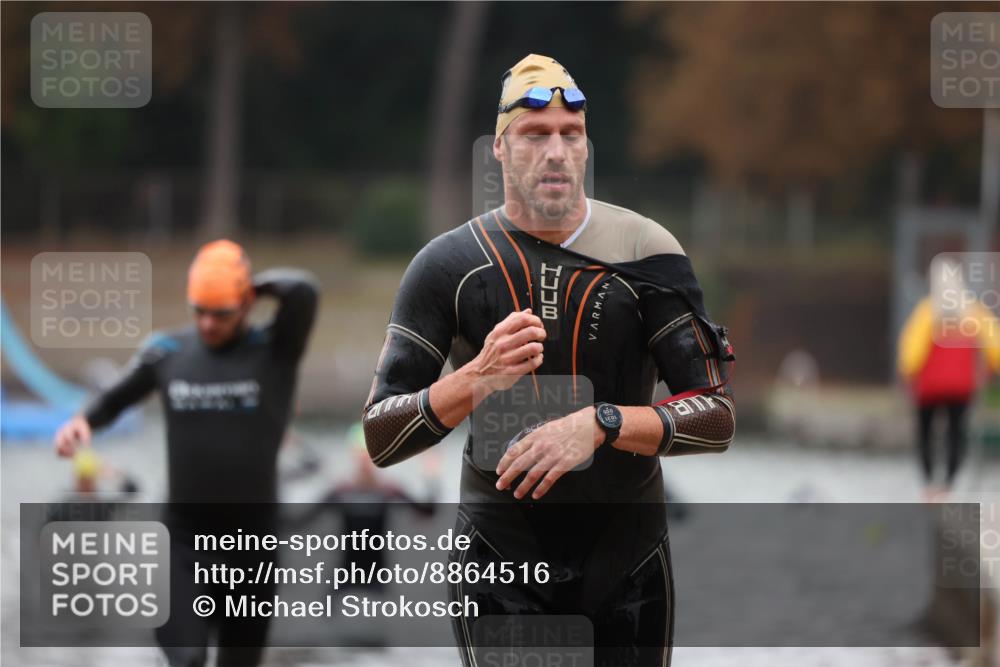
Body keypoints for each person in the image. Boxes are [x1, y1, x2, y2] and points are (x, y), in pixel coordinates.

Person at [362, 54, 735, 666]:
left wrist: (602, 423)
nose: (556, 151)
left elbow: (716, 417)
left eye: (572, 134)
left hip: (628, 563)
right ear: (501, 150)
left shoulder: (648, 253)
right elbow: (381, 434)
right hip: (500, 564)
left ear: (587, 149)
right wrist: (476, 378)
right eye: (536, 135)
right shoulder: (447, 267)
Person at [53, 240, 318, 667]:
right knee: (188, 658)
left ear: (246, 305)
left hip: (253, 546)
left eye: (222, 312)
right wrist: (83, 422)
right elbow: (113, 400)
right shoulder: (169, 353)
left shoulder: (276, 351)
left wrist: (250, 284)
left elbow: (304, 291)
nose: (208, 323)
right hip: (183, 542)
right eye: (199, 310)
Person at [897, 261, 1000, 501]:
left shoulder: (926, 313)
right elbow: (995, 346)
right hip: (961, 387)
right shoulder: (975, 314)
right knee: (956, 433)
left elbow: (911, 354)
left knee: (925, 433)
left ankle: (929, 484)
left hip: (929, 388)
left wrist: (907, 374)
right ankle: (949, 484)